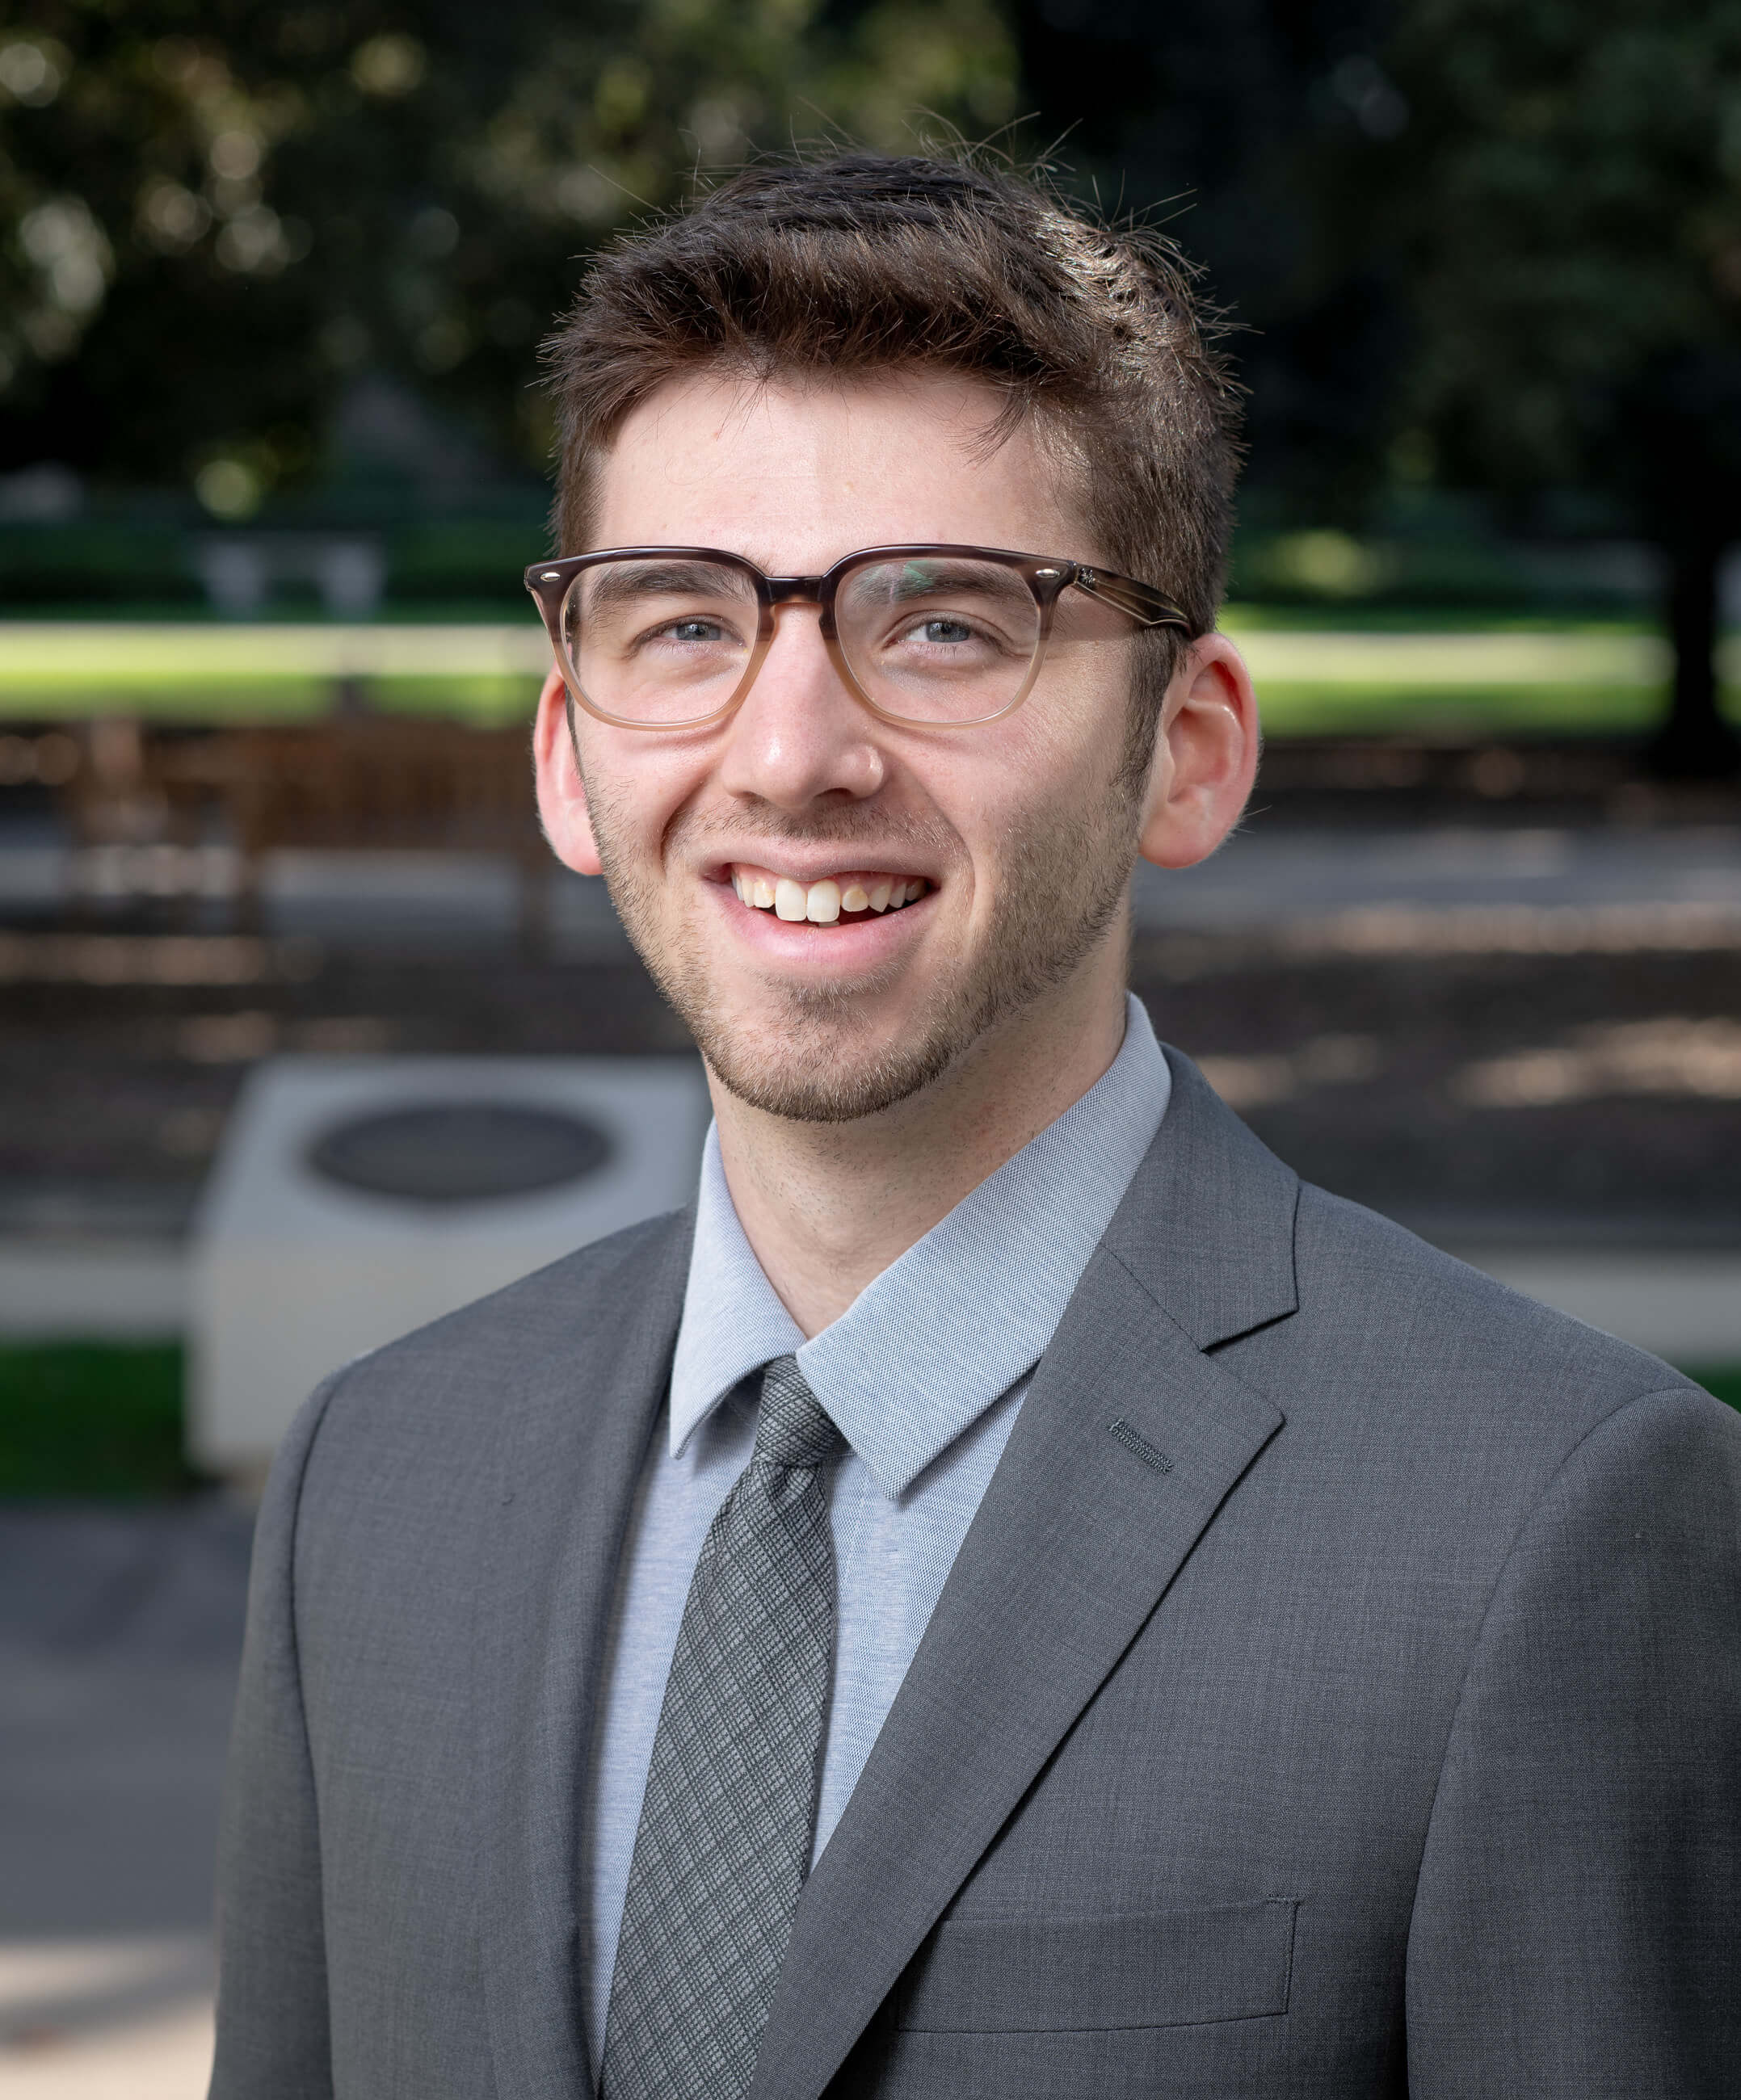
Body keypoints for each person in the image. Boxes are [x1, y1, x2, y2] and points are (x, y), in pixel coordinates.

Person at [209, 154, 1740, 2100]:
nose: (790, 750)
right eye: (682, 622)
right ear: (565, 754)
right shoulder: (376, 1479)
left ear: (1182, 751)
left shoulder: (1551, 1524)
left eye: (943, 624)